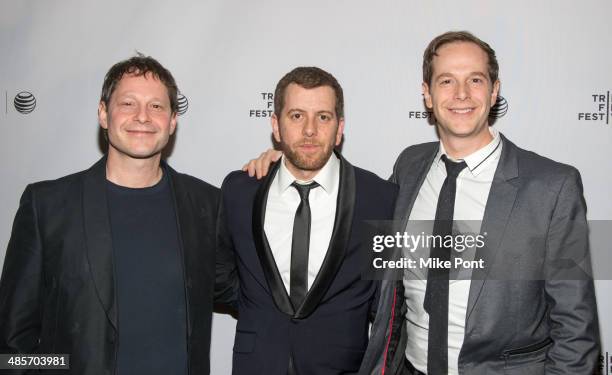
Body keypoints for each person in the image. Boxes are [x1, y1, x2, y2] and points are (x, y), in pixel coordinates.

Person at [243, 32, 600, 375]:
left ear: (494, 92)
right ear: (427, 95)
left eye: (475, 80)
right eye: (446, 81)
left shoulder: (552, 187)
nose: (461, 94)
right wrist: (287, 163)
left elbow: (576, 328)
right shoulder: (409, 168)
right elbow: (353, 223)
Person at [0, 55, 236, 375]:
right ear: (103, 113)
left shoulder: (207, 204)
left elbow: (250, 292)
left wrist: (285, 173)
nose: (143, 116)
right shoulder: (47, 206)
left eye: (156, 106)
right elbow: (12, 348)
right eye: (128, 103)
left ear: (172, 121)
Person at [219, 66, 397, 375]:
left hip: (343, 367)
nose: (310, 130)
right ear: (276, 126)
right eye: (297, 116)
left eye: (323, 117)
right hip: (257, 364)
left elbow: (384, 300)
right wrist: (258, 306)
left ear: (339, 128)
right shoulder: (240, 190)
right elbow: (220, 275)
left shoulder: (379, 198)